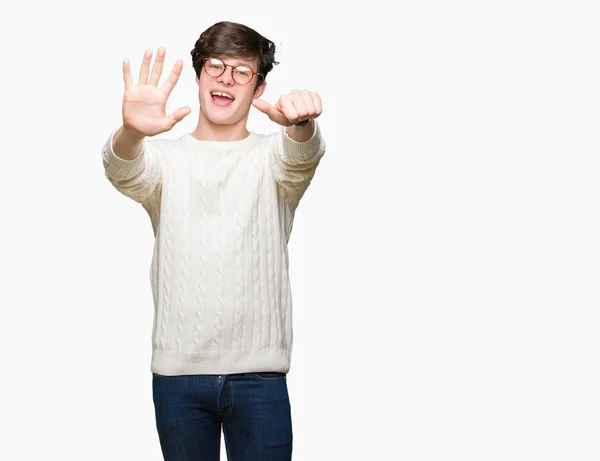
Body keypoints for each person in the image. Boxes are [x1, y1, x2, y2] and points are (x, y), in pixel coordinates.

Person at [100, 20, 326, 461]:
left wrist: (301, 124)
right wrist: (132, 132)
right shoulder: (165, 160)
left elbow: (302, 155)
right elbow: (123, 171)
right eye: (216, 66)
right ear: (199, 74)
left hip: (260, 377)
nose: (226, 78)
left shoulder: (272, 159)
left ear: (258, 87)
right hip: (177, 378)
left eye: (242, 71)